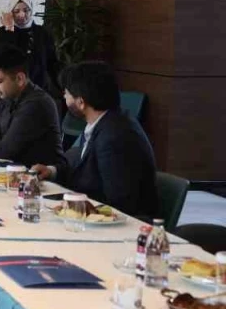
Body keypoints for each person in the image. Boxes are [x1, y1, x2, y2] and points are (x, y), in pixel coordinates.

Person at [31, 61, 158, 220]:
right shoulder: (104, 122)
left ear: (81, 102)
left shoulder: (115, 136)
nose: (64, 97)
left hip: (120, 225)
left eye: (67, 94)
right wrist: (52, 171)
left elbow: (120, 203)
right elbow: (83, 166)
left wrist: (74, 207)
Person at [0, 0, 60, 98]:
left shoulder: (43, 33)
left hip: (38, 90)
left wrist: (61, 87)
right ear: (10, 12)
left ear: (31, 10)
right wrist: (9, 29)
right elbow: (5, 58)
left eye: (26, 10)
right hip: (10, 91)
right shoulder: (0, 34)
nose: (22, 15)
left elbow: (51, 63)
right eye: (16, 11)